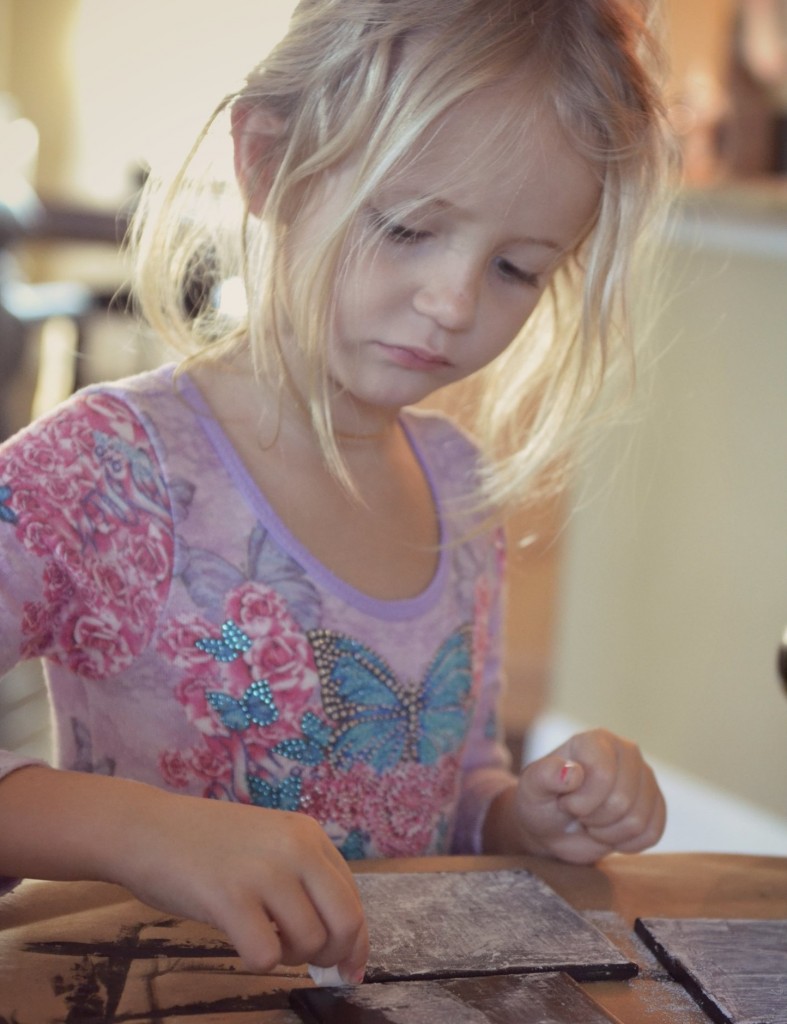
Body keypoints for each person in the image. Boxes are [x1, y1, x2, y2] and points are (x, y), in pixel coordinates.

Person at [0, 0, 674, 987]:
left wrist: (522, 811)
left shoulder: (462, 488)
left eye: (515, 268)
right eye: (406, 227)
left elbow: (454, 776)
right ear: (270, 162)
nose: (452, 301)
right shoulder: (106, 468)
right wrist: (135, 831)